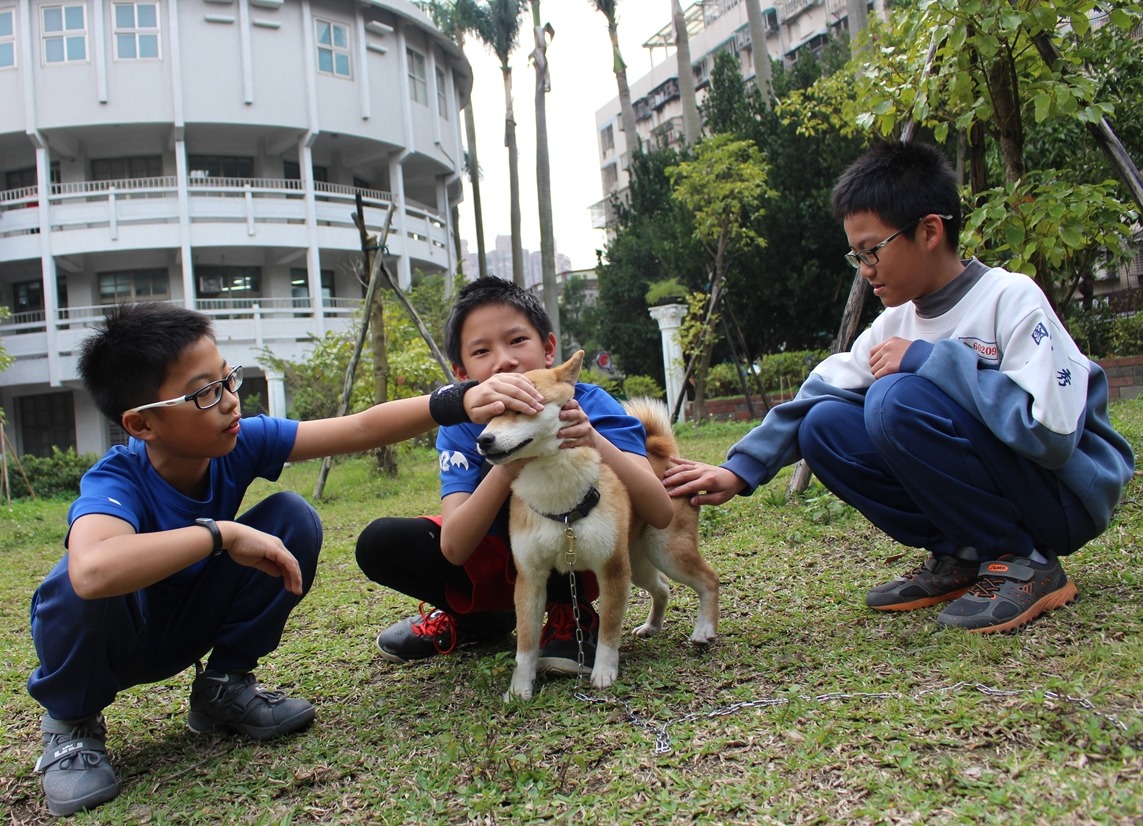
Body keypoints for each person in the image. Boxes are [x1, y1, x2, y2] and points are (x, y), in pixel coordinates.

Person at [28, 301, 543, 818]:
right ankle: (72, 726)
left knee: (290, 519)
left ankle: (224, 687)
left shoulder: (238, 442)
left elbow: (359, 428)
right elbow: (93, 571)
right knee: (72, 577)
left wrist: (460, 399)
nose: (231, 401)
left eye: (228, 380)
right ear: (142, 425)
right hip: (121, 640)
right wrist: (221, 534)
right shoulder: (116, 479)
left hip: (190, 621)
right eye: (206, 393)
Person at [664, 141, 1135, 634]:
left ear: (930, 230)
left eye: (873, 251)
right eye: (856, 255)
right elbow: (822, 391)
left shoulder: (1009, 298)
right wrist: (740, 471)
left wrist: (928, 360)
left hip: (1060, 500)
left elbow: (1052, 435)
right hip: (1005, 492)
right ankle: (963, 554)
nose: (865, 270)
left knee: (894, 399)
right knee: (825, 425)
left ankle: (1027, 560)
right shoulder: (893, 323)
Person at [355, 277, 673, 672]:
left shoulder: (589, 404)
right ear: (463, 372)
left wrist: (591, 438)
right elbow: (454, 546)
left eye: (517, 340)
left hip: (581, 557)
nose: (503, 360)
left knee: (558, 495)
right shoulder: (460, 427)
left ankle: (570, 615)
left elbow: (660, 512)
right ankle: (478, 618)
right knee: (380, 543)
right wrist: (509, 459)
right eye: (482, 350)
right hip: (505, 555)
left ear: (548, 349)